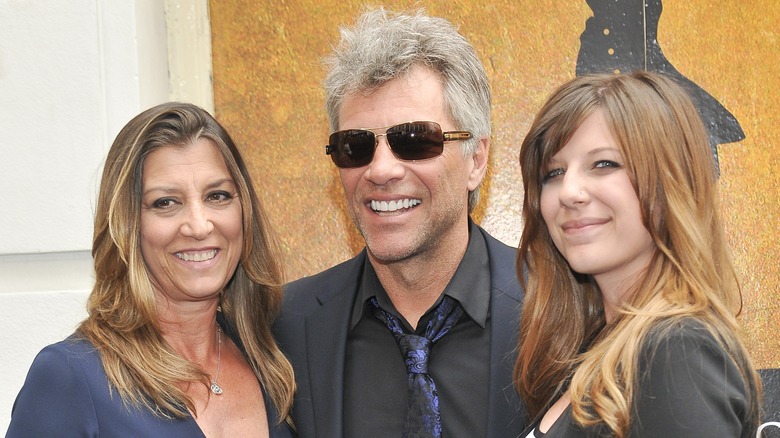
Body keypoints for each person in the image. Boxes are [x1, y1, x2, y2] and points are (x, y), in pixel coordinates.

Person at [273, 7, 525, 438]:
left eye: (414, 140)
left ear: (477, 160)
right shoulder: (285, 327)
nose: (381, 170)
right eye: (356, 146)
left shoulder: (562, 310)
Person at [7, 102, 296, 437]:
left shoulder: (274, 359)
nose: (199, 225)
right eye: (166, 203)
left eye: (217, 196)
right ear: (128, 225)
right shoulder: (72, 376)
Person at [514, 71, 762, 437]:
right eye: (553, 172)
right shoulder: (602, 343)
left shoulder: (676, 349)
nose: (569, 192)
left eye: (604, 164)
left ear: (670, 182)